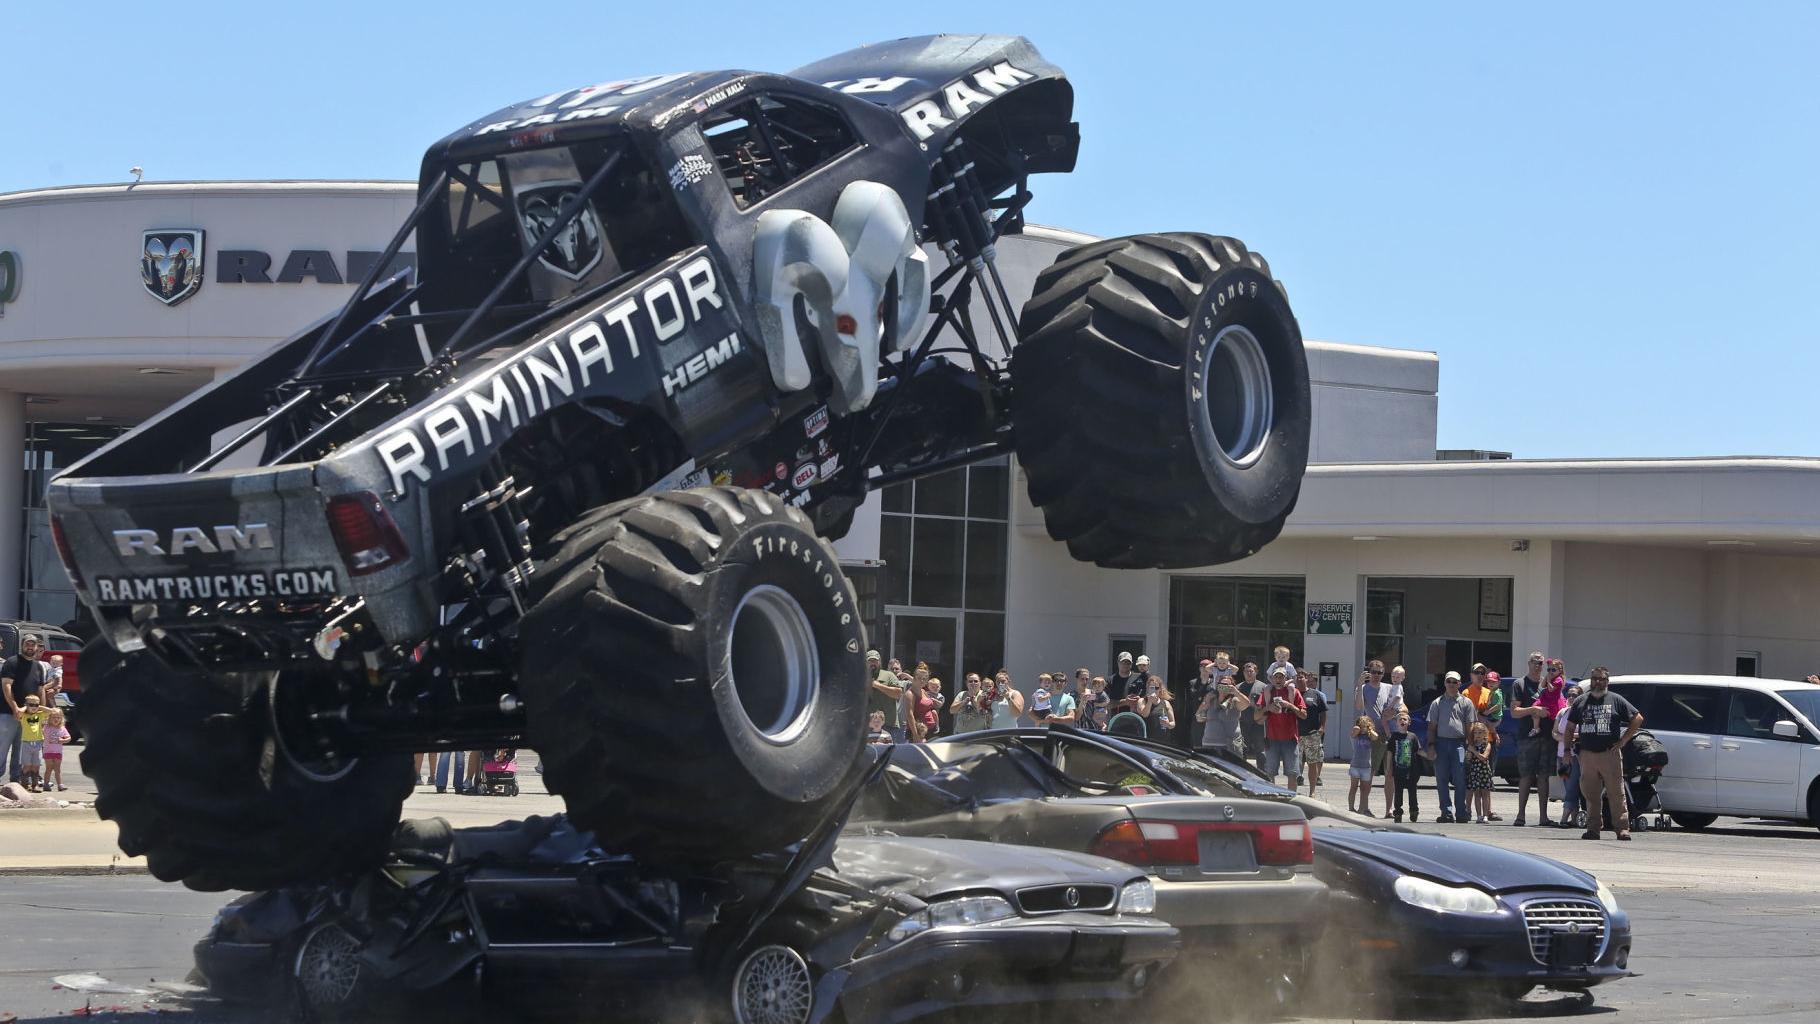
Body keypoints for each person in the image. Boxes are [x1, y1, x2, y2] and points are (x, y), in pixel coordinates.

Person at [1567, 666, 1644, 840]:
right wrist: (1566, 749)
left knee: (1616, 793)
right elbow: (1570, 727)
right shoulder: (1581, 701)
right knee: (1591, 794)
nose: (1597, 682)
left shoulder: (1615, 700)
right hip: (1587, 754)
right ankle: (1593, 829)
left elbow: (1637, 718)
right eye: (1594, 678)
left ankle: (1622, 828)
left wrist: (1623, 740)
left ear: (1607, 681)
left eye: (1601, 679)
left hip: (1610, 753)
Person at [1512, 652, 1563, 826]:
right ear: (1528, 663)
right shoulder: (1520, 684)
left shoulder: (1548, 682)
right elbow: (1514, 712)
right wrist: (1534, 710)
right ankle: (1520, 816)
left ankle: (1543, 817)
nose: (1538, 666)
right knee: (1526, 776)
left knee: (1544, 776)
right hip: (1527, 737)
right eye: (1535, 662)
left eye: (1541, 663)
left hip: (1548, 736)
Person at [1426, 671, 1477, 823]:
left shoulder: (1466, 702)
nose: (1451, 684)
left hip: (1459, 744)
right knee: (1441, 779)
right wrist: (1431, 746)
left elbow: (1470, 726)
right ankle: (1446, 812)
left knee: (1460, 779)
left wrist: (1470, 746)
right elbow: (1431, 727)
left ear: (1460, 684)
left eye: (1455, 682)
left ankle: (1461, 812)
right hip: (1441, 743)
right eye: (1449, 681)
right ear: (1445, 683)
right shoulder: (1437, 702)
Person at [1, 633, 49, 784]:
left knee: (21, 749)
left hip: (30, 716)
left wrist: (43, 712)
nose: (30, 647)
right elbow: (6, 685)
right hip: (8, 713)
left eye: (33, 644)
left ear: (37, 647)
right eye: (27, 644)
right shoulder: (12, 662)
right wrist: (14, 707)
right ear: (22, 645)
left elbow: (41, 690)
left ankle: (16, 779)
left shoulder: (39, 666)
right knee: (2, 747)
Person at [1253, 666, 1307, 787]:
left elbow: (1304, 715)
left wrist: (1290, 706)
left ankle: (1291, 801)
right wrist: (1268, 707)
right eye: (1275, 677)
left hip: (1290, 739)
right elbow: (1256, 717)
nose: (1278, 679)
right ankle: (1272, 801)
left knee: (1292, 774)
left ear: (1286, 678)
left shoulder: (1294, 692)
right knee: (1269, 773)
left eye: (1281, 677)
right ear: (1271, 679)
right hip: (1271, 739)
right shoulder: (1267, 692)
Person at [1374, 664, 1409, 814]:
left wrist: (1393, 711)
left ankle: (1394, 808)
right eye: (1393, 676)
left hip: (1396, 736)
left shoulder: (1396, 688)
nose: (1395, 679)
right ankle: (1372, 808)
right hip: (1379, 736)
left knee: (1394, 774)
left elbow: (1404, 710)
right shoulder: (1384, 687)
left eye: (1379, 672)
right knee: (1381, 773)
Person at [1196, 668, 1252, 761]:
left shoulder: (1234, 700)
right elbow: (1199, 717)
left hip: (1229, 746)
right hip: (1209, 744)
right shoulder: (1211, 699)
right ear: (1217, 686)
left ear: (1232, 686)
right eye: (1221, 684)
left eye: (1227, 685)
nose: (1224, 687)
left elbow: (1246, 704)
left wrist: (1236, 692)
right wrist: (1206, 701)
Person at [1554, 682, 1584, 829]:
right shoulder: (1562, 712)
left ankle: (1564, 818)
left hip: (1574, 756)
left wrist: (1570, 736)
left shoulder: (1583, 713)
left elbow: (1583, 733)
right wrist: (1565, 737)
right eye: (1569, 695)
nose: (1571, 697)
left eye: (1575, 695)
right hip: (1561, 755)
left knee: (1572, 787)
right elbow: (1554, 733)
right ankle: (1574, 818)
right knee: (1568, 786)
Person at [1354, 667, 1387, 792]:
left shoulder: (1388, 687)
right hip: (1370, 734)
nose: (1376, 675)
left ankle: (1389, 810)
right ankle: (1364, 806)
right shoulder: (1362, 688)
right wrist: (1359, 684)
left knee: (1390, 773)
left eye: (1380, 673)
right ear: (1369, 673)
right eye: (1373, 672)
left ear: (1383, 674)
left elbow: (1399, 704)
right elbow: (1359, 706)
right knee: (1369, 771)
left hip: (1387, 732)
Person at [1388, 710, 1423, 822]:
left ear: (1409, 722)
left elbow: (1418, 750)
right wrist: (1389, 768)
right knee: (1398, 792)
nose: (1402, 721)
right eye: (1400, 719)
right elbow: (1389, 753)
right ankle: (1398, 812)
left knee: (1412, 791)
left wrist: (1429, 755)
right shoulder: (1394, 736)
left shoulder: (1413, 736)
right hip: (1398, 770)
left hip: (1412, 770)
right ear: (1396, 723)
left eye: (1405, 719)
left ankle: (1414, 811)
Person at [1297, 670, 1328, 794]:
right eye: (1297, 677)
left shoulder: (1316, 694)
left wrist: (1322, 727)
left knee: (1312, 762)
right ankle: (1293, 790)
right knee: (1295, 763)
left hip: (1312, 733)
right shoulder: (1293, 693)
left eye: (1302, 677)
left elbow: (1323, 712)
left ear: (1307, 679)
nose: (1300, 679)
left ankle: (1312, 791)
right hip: (1295, 734)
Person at [867, 650, 906, 741]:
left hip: (889, 725)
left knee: (893, 754)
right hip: (868, 726)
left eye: (875, 661)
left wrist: (877, 685)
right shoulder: (861, 677)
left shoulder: (889, 675)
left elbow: (898, 693)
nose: (873, 663)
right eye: (870, 661)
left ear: (879, 662)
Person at [1236, 662, 1267, 770]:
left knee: (1261, 751)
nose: (1249, 673)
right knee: (1242, 750)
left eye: (1251, 671)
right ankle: (1243, 774)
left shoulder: (1263, 687)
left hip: (1258, 724)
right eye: (1246, 671)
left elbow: (1269, 705)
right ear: (1243, 673)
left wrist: (1263, 719)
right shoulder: (1238, 687)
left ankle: (1263, 775)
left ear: (1256, 672)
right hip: (1243, 723)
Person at [16, 694, 48, 792]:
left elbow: (52, 711)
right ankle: (24, 784)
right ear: (26, 705)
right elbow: (18, 712)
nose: (34, 707)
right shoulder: (24, 716)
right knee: (27, 765)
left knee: (36, 765)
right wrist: (26, 707)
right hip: (26, 743)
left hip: (38, 743)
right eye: (31, 705)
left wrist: (39, 706)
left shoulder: (40, 714)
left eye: (36, 705)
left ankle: (35, 785)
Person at [1348, 715, 1378, 815]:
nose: (1364, 726)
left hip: (1366, 767)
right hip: (1355, 765)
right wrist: (1361, 727)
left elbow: (1376, 736)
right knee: (1354, 787)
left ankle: (1361, 809)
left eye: (1366, 724)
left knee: (1364, 789)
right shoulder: (1355, 736)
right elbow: (1355, 729)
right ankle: (1351, 808)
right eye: (1362, 724)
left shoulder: (1370, 737)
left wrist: (1369, 729)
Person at [1466, 721, 1495, 823]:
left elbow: (1484, 757)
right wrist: (1469, 753)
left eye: (1479, 733)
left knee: (1485, 794)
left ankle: (1486, 815)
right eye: (1475, 733)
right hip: (1475, 771)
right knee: (1477, 795)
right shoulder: (1472, 745)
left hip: (1484, 771)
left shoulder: (1487, 745)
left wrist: (1473, 751)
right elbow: (1469, 759)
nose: (1477, 735)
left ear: (1485, 733)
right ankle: (1478, 815)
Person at [41, 707, 69, 791]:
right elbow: (41, 721)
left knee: (57, 769)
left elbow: (69, 737)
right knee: (49, 768)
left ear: (61, 718)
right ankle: (46, 784)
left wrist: (63, 740)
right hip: (48, 751)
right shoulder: (46, 727)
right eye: (54, 717)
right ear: (49, 718)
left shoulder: (62, 728)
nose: (56, 719)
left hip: (58, 752)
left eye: (58, 717)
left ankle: (60, 785)